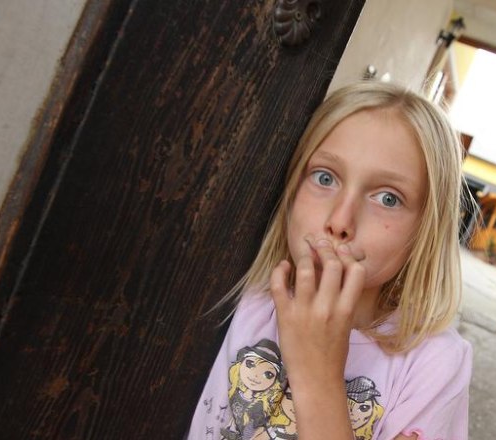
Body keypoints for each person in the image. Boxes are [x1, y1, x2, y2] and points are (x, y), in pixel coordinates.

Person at [188, 81, 472, 440]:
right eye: (325, 177)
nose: (340, 221)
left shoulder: (435, 364)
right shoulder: (244, 293)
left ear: (425, 233)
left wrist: (318, 376)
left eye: (388, 198)